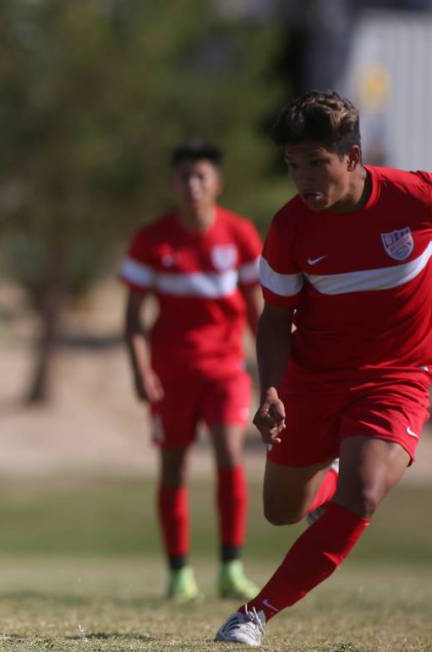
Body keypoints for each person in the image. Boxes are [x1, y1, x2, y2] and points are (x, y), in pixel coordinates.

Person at [216, 91, 432, 646]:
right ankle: (330, 478)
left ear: (353, 158)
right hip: (312, 379)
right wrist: (270, 391)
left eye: (317, 163)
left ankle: (255, 613)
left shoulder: (413, 197)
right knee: (281, 511)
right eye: (293, 165)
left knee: (362, 496)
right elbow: (273, 320)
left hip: (398, 375)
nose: (303, 178)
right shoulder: (290, 228)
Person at [121, 140, 263, 602]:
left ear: (217, 183)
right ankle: (179, 572)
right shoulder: (152, 239)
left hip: (225, 369)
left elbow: (259, 314)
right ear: (174, 182)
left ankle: (230, 566)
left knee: (228, 453)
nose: (193, 185)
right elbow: (133, 318)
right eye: (185, 176)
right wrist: (141, 371)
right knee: (175, 467)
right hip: (171, 371)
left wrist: (272, 373)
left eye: (202, 176)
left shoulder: (240, 236)